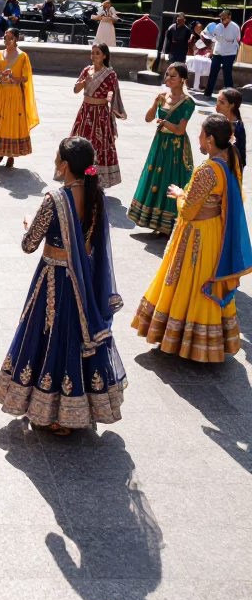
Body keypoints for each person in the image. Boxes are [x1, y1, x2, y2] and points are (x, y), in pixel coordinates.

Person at [0, 136, 126, 433]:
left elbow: (29, 245)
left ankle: (52, 413)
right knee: (77, 339)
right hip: (85, 280)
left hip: (54, 279)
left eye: (56, 158)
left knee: (50, 338)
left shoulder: (55, 200)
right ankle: (79, 409)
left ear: (64, 166)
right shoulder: (96, 196)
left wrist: (28, 223)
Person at [133, 113, 252, 363]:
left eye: (201, 133)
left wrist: (179, 195)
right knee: (207, 280)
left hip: (196, 234)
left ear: (209, 139)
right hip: (215, 233)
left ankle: (185, 340)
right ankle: (211, 340)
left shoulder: (207, 170)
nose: (198, 137)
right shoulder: (230, 160)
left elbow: (189, 210)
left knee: (189, 280)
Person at [127, 63, 195, 234]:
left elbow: (180, 130)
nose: (168, 79)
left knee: (170, 177)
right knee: (155, 176)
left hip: (176, 146)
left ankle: (168, 224)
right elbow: (148, 119)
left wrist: (165, 123)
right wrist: (155, 102)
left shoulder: (188, 103)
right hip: (160, 143)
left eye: (173, 76)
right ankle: (153, 221)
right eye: (167, 75)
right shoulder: (163, 97)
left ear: (182, 80)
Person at [67, 43, 127, 187]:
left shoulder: (110, 75)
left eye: (97, 53)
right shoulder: (87, 71)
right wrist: (83, 82)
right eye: (92, 53)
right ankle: (78, 175)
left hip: (100, 114)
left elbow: (114, 95)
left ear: (104, 56)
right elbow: (75, 89)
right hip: (85, 112)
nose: (94, 56)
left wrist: (112, 110)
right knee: (80, 143)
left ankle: (97, 179)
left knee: (98, 145)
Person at [0, 27, 39, 167]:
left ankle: (11, 154)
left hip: (14, 93)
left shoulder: (23, 56)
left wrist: (12, 77)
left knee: (12, 122)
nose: (7, 40)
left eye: (10, 37)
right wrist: (0, 72)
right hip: (0, 92)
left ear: (16, 39)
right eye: (5, 37)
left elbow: (25, 78)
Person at [203, 10, 241, 99]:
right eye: (221, 17)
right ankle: (208, 93)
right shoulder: (218, 26)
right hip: (218, 52)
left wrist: (230, 41)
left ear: (229, 17)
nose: (222, 19)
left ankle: (230, 95)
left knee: (227, 73)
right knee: (213, 72)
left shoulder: (235, 27)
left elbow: (238, 39)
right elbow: (213, 37)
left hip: (229, 53)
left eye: (224, 17)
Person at [216, 87, 246, 172]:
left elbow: (238, 157)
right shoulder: (224, 120)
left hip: (229, 170)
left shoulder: (237, 128)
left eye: (222, 102)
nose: (217, 104)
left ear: (231, 106)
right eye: (217, 100)